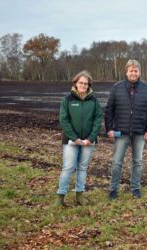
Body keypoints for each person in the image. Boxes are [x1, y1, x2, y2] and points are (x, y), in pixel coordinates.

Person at [105, 59, 147, 200]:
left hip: (140, 132)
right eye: (131, 70)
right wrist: (109, 128)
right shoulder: (117, 88)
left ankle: (135, 188)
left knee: (137, 162)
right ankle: (113, 189)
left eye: (136, 70)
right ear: (126, 72)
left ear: (139, 72)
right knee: (117, 162)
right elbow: (109, 109)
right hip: (121, 131)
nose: (133, 73)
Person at [56, 70, 102, 206]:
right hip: (71, 141)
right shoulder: (67, 100)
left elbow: (98, 120)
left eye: (86, 83)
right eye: (81, 82)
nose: (83, 85)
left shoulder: (94, 101)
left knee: (82, 168)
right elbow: (64, 121)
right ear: (75, 83)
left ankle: (80, 195)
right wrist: (75, 138)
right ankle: (60, 197)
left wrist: (91, 138)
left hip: (88, 141)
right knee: (68, 168)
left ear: (89, 85)